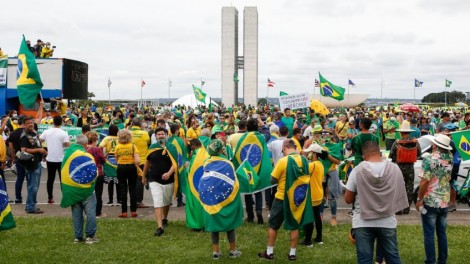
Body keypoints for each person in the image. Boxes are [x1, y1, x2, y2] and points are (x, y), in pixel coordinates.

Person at [345, 141, 408, 264]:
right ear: (380, 153)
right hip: (387, 220)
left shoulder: (357, 170)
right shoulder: (394, 168)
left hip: (362, 221)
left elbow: (347, 199)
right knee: (393, 257)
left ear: (364, 156)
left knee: (364, 260)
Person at [258, 139, 313, 261]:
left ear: (284, 148)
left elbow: (272, 180)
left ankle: (269, 252)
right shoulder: (304, 160)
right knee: (294, 225)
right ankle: (292, 254)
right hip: (297, 199)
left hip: (282, 197)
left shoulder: (283, 161)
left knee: (273, 225)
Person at [198, 139, 243, 259]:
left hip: (211, 198)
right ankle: (233, 251)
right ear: (221, 150)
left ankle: (216, 252)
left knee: (214, 225)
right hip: (226, 198)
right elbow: (234, 181)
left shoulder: (206, 162)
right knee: (230, 224)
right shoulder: (228, 163)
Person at [415, 134, 453, 264]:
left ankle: (430, 261)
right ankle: (442, 260)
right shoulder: (450, 158)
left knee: (429, 234)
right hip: (444, 200)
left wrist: (419, 199)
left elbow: (425, 181)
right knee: (442, 233)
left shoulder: (429, 159)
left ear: (435, 145)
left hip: (430, 201)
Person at [60, 134, 99, 244]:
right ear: (85, 144)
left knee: (76, 214)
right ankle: (90, 236)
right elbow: (93, 172)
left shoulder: (67, 154)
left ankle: (78, 237)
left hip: (72, 189)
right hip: (86, 190)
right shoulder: (87, 155)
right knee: (90, 213)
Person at [143, 127, 176, 236]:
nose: (161, 136)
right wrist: (144, 176)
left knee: (166, 202)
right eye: (159, 134)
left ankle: (165, 218)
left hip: (169, 180)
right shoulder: (152, 148)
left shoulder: (172, 147)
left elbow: (175, 164)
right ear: (155, 136)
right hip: (154, 179)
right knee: (157, 201)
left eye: (163, 134)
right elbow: (147, 163)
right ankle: (159, 226)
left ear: (166, 135)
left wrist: (169, 173)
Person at [389, 122, 421, 215]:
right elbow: (419, 154)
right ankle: (406, 208)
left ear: (401, 132)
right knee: (409, 187)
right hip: (410, 167)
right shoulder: (415, 142)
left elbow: (391, 155)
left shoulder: (397, 142)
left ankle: (398, 209)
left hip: (399, 167)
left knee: (398, 187)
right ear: (409, 132)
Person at [39, 115, 70, 204]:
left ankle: (50, 198)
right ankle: (64, 197)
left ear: (53, 122)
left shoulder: (47, 131)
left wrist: (44, 149)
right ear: (61, 122)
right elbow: (67, 145)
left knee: (50, 179)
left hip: (50, 158)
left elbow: (39, 140)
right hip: (61, 159)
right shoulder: (64, 132)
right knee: (62, 179)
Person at [21, 115, 48, 214]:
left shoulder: (33, 133)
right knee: (33, 186)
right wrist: (39, 150)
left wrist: (43, 152)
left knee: (33, 186)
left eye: (31, 123)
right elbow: (23, 150)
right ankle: (30, 207)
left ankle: (31, 205)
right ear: (24, 125)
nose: (30, 125)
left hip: (37, 162)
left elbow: (36, 144)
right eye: (28, 123)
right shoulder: (25, 136)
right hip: (31, 164)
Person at [302, 143, 326, 246]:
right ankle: (319, 238)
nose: (308, 155)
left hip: (311, 195)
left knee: (309, 218)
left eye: (309, 153)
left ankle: (308, 240)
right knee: (317, 216)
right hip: (319, 194)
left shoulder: (312, 165)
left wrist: (303, 159)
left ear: (315, 154)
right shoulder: (320, 164)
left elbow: (302, 173)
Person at [114, 129, 140, 218]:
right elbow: (137, 160)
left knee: (123, 189)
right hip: (131, 167)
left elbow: (117, 159)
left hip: (121, 167)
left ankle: (124, 211)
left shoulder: (117, 147)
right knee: (133, 188)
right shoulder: (133, 146)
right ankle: (133, 210)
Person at [130, 118, 150, 209]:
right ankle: (138, 201)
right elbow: (148, 142)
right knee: (140, 181)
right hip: (141, 161)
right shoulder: (145, 133)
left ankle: (132, 201)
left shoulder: (128, 133)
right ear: (140, 125)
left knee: (131, 181)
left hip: (130, 160)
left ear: (131, 124)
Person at [85, 132, 106, 218]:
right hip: (98, 173)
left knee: (88, 194)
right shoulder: (97, 150)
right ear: (94, 140)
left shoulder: (83, 149)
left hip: (86, 173)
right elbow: (103, 160)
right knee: (98, 193)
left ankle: (88, 211)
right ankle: (97, 212)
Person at [99, 124, 119, 204]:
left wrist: (104, 155)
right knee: (118, 180)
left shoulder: (106, 138)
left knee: (110, 181)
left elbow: (100, 146)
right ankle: (119, 199)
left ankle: (110, 200)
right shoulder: (119, 138)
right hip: (118, 158)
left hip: (109, 159)